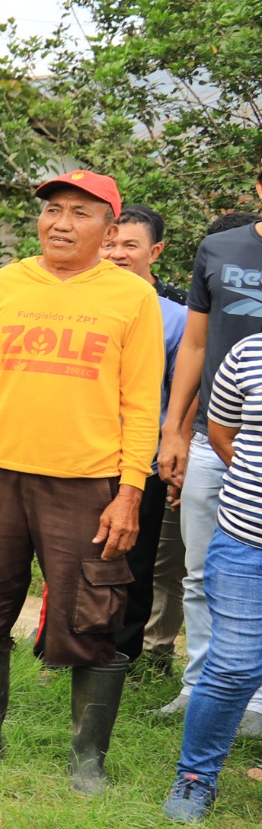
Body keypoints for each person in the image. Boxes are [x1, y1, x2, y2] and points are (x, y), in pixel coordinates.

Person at [0, 172, 164, 793]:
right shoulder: (7, 285)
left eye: (80, 214)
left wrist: (130, 491)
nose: (61, 223)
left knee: (91, 614)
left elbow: (142, 404)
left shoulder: (132, 298)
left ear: (109, 230)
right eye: (53, 211)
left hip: (87, 482)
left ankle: (86, 757)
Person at [155, 191, 262, 732]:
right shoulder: (219, 249)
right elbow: (195, 346)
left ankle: (257, 705)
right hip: (209, 434)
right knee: (199, 574)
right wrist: (173, 429)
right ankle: (197, 688)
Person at [164, 326, 262, 821]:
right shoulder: (248, 353)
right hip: (248, 542)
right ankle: (195, 777)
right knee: (234, 667)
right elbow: (220, 432)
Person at [104, 205, 188, 667]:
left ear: (154, 251)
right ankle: (59, 652)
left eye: (129, 245)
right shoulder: (80, 301)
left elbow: (181, 393)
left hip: (143, 457)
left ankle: (121, 659)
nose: (117, 254)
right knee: (71, 560)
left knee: (135, 565)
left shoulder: (175, 316)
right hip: (83, 453)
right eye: (110, 243)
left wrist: (174, 452)